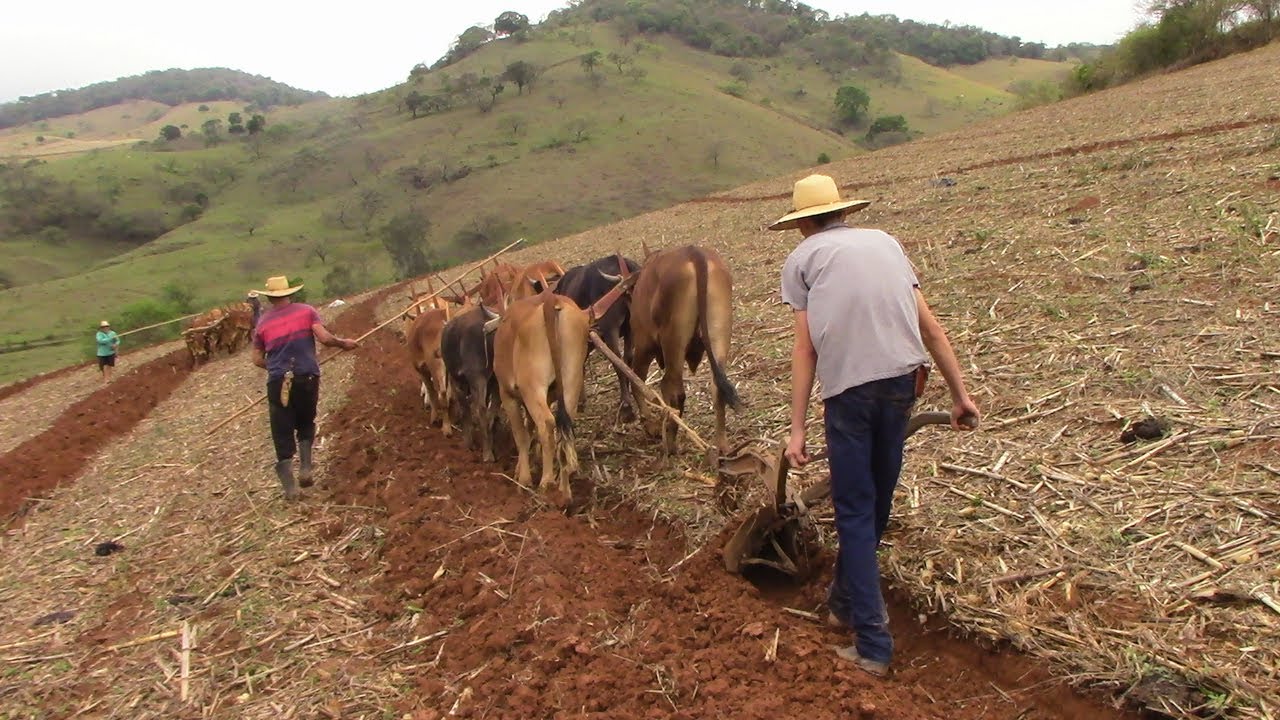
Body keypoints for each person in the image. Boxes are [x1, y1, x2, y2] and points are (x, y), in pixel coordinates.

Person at [772, 174, 979, 677]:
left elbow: (805, 348)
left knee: (855, 512)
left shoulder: (801, 260)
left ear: (802, 224)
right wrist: (960, 395)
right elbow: (930, 327)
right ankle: (845, 602)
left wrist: (797, 428)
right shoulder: (886, 242)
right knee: (877, 502)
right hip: (905, 382)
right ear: (843, 212)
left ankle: (872, 644)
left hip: (850, 395)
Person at [250, 276, 359, 501]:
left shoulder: (262, 323)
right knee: (306, 421)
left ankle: (290, 488)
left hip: (278, 381)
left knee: (281, 430)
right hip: (306, 376)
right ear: (289, 293)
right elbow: (325, 338)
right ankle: (306, 468)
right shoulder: (307, 311)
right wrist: (344, 344)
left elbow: (257, 359)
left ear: (269, 298)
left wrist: (276, 367)